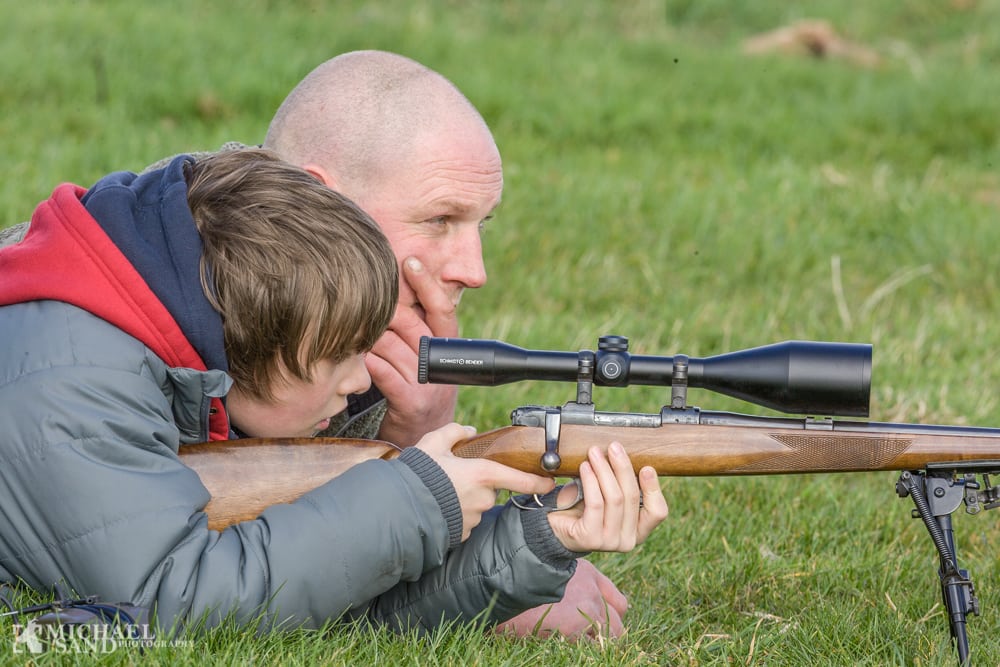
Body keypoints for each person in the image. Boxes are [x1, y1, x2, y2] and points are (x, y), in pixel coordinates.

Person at [0, 50, 639, 639]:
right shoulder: (72, 370)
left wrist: (533, 543)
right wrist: (415, 494)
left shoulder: (217, 303)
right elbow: (175, 601)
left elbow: (314, 585)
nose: (474, 269)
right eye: (438, 219)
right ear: (324, 199)